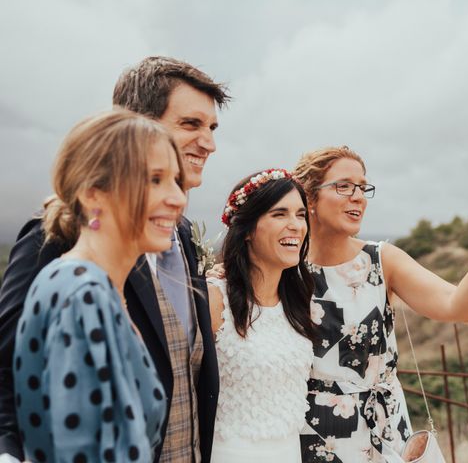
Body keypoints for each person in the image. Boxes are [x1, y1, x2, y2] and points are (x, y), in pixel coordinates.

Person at [0, 56, 230, 462]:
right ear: (132, 123)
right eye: (191, 124)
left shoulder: (179, 234)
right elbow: (10, 374)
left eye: (212, 128)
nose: (209, 142)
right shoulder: (59, 241)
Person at [292, 146, 468, 462]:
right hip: (311, 437)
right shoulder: (283, 268)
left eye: (363, 187)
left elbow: (457, 307)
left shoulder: (382, 260)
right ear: (308, 196)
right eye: (344, 186)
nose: (358, 196)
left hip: (383, 433)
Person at [14, 109, 186, 461]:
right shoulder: (83, 295)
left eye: (175, 180)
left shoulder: (86, 285)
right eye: (154, 179)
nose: (178, 198)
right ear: (93, 195)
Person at [207, 169, 315, 463]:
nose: (295, 226)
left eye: (301, 214)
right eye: (279, 214)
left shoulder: (299, 303)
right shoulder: (215, 301)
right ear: (249, 229)